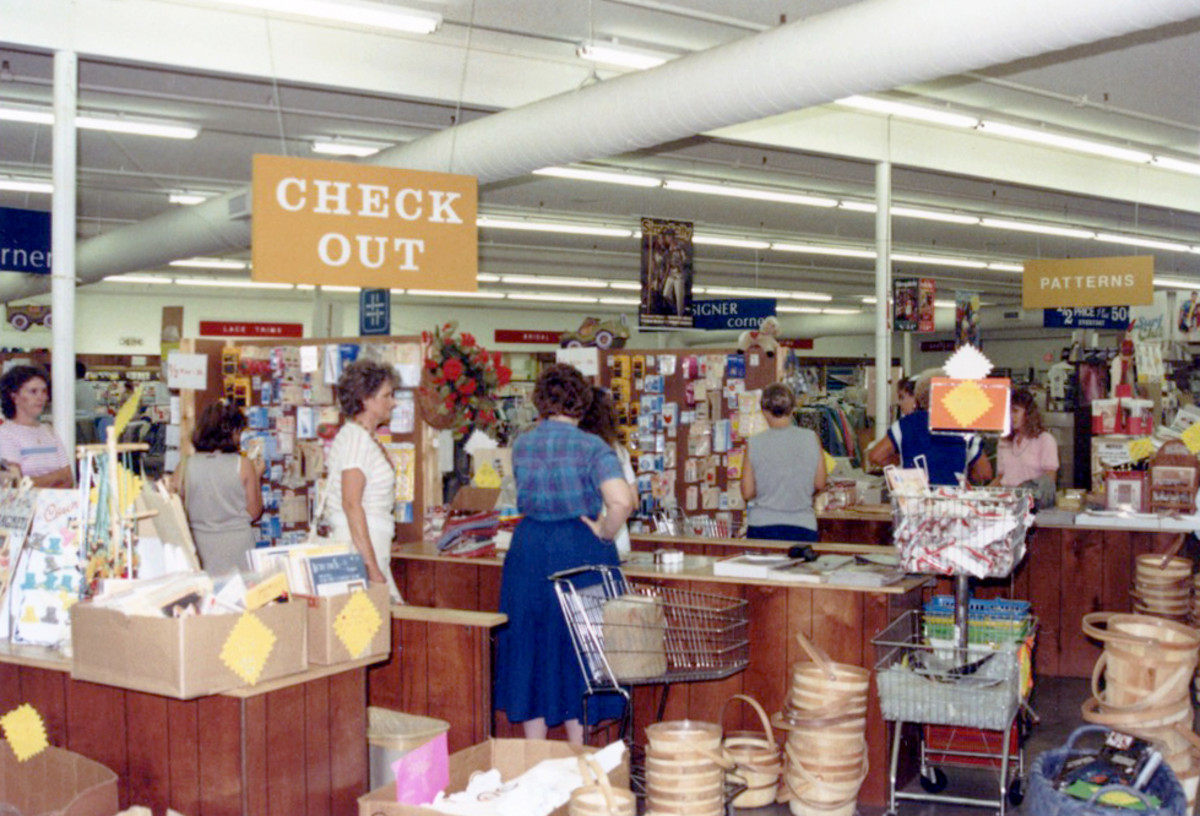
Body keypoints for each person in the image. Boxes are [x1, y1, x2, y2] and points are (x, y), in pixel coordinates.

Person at [495, 364, 634, 744]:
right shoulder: (593, 447)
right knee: (581, 650)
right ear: (581, 402)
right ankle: (578, 758)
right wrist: (606, 529)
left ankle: (534, 756)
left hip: (528, 551)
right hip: (579, 549)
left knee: (531, 645)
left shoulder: (522, 443)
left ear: (541, 400)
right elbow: (622, 500)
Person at [325, 359, 402, 602]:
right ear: (366, 399)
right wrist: (370, 565)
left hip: (365, 547)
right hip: (357, 553)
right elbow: (351, 504)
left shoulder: (360, 437)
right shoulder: (356, 440)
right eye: (387, 395)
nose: (394, 402)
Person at [181, 401, 265, 575]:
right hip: (237, 546)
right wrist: (256, 476)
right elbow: (254, 511)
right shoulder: (243, 465)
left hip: (199, 545)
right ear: (233, 431)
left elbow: (179, 509)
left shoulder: (185, 465)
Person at [741, 384, 826, 553]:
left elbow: (747, 492)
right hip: (802, 526)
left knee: (763, 579)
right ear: (792, 409)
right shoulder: (811, 438)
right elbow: (820, 483)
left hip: (762, 527)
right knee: (799, 578)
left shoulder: (754, 443)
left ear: (764, 411)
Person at [868, 373, 992, 487]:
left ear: (919, 396)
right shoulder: (963, 427)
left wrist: (901, 464)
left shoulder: (904, 426)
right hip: (952, 504)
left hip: (915, 501)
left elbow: (876, 456)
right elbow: (985, 473)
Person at [578, 386, 636, 558]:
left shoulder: (574, 450)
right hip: (616, 534)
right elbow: (632, 501)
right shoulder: (617, 451)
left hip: (584, 533)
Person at [0, 365, 73, 487]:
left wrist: (33, 480)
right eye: (33, 391)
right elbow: (15, 484)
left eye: (44, 391)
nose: (41, 397)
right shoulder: (5, 434)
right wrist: (56, 476)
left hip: (57, 504)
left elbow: (69, 478)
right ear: (14, 397)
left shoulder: (49, 431)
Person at [995, 389, 1059, 502]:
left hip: (1032, 504)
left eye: (1015, 411)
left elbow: (1049, 479)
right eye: (1008, 412)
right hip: (1005, 503)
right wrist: (979, 494)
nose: (1011, 416)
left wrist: (1025, 489)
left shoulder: (1045, 440)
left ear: (1028, 414)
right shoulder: (1004, 442)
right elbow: (1001, 478)